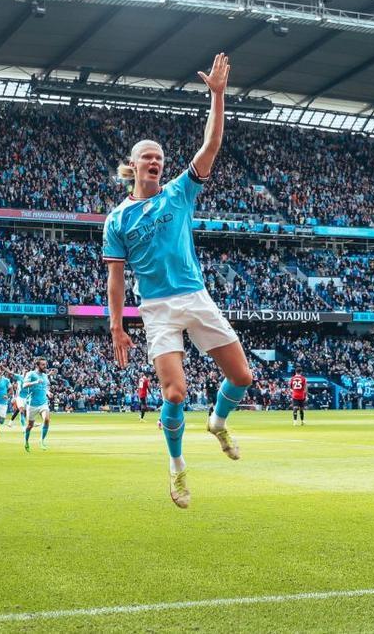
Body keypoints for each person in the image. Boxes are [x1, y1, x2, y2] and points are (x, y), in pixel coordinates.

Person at [102, 53, 252, 509]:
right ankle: (177, 467)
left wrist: (218, 97)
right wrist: (116, 325)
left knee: (242, 377)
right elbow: (115, 277)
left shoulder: (179, 192)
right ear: (132, 165)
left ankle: (218, 422)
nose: (156, 161)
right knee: (175, 391)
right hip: (158, 309)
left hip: (196, 296)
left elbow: (210, 145)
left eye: (160, 157)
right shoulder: (118, 219)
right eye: (147, 156)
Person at [22, 358, 53, 452]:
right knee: (29, 426)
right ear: (37, 365)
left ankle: (42, 441)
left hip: (43, 402)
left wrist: (48, 392)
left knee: (47, 420)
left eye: (45, 364)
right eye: (43, 364)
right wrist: (35, 382)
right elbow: (24, 385)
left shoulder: (45, 376)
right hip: (32, 404)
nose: (45, 366)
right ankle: (26, 441)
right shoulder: (31, 374)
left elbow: (45, 387)